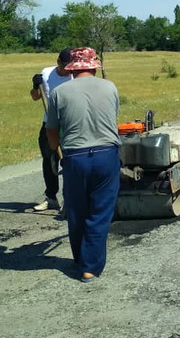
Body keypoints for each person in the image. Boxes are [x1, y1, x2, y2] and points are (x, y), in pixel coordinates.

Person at [45, 47, 120, 283]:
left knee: (77, 211)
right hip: (106, 154)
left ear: (72, 68)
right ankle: (90, 266)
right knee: (100, 212)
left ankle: (81, 260)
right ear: (92, 65)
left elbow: (52, 132)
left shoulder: (60, 92)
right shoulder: (109, 87)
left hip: (75, 157)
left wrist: (56, 148)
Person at [30, 48, 73, 211]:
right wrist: (35, 86)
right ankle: (51, 198)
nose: (67, 70)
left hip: (70, 124)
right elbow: (35, 97)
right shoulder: (47, 73)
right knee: (50, 161)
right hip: (50, 124)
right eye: (65, 66)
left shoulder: (75, 75)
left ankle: (70, 199)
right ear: (58, 62)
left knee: (70, 161)